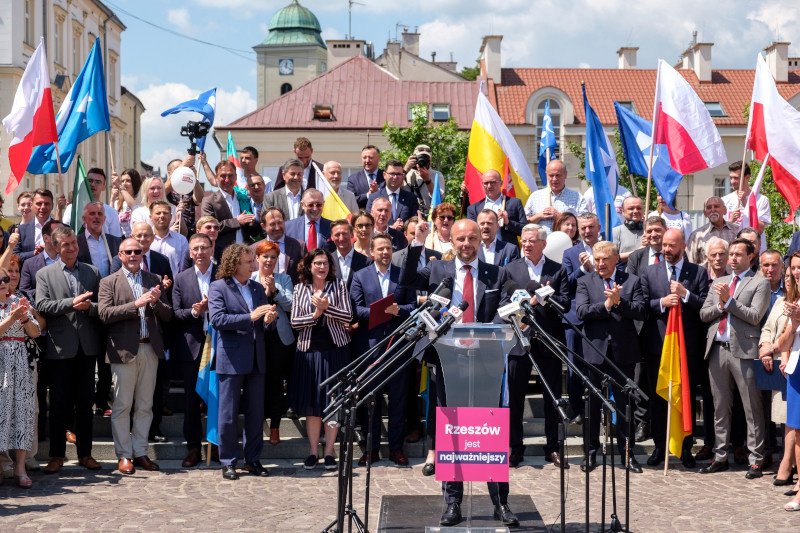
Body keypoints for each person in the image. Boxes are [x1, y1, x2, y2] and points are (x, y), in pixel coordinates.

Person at [399, 218, 516, 528]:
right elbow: (407, 280)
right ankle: (453, 502)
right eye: (460, 239)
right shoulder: (438, 270)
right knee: (453, 434)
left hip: (486, 364)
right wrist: (416, 244)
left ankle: (500, 502)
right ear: (451, 241)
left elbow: (504, 313)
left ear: (481, 240)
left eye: (472, 239)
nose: (466, 244)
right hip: (448, 363)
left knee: (489, 434)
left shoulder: (496, 273)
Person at [99, 238, 173, 475]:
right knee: (122, 406)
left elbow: (167, 315)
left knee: (145, 405)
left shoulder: (153, 280)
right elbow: (104, 313)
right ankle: (124, 455)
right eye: (128, 251)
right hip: (123, 350)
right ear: (120, 255)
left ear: (143, 254)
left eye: (137, 252)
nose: (133, 255)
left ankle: (140, 451)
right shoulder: (109, 282)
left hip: (149, 348)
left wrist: (154, 303)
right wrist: (136, 304)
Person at [499, 224, 570, 468]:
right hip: (519, 341)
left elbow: (565, 303)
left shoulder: (557, 270)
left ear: (543, 243)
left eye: (531, 241)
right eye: (524, 241)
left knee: (552, 398)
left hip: (548, 340)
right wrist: (517, 309)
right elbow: (503, 302)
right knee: (516, 397)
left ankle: (553, 448)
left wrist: (542, 297)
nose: (527, 245)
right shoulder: (510, 269)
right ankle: (515, 447)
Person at [35, 226, 103, 474]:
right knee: (60, 404)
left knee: (85, 404)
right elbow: (41, 304)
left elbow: (101, 306)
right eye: (66, 245)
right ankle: (56, 455)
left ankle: (86, 453)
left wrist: (89, 307)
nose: (72, 248)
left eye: (74, 243)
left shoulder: (92, 272)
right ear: (55, 247)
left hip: (87, 348)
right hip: (60, 348)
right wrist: (71, 303)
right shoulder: (45, 274)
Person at [699, 238, 770, 478]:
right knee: (720, 407)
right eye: (731, 254)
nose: (732, 259)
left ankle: (756, 459)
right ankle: (720, 456)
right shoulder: (720, 281)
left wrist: (728, 301)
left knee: (752, 407)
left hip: (744, 351)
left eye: (738, 254)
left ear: (751, 256)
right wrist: (721, 305)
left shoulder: (760, 283)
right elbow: (704, 313)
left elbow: (754, 316)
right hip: (717, 349)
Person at [639, 229, 709, 468]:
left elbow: (704, 308)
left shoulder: (698, 272)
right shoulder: (650, 272)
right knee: (659, 399)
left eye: (671, 246)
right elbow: (642, 305)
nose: (666, 250)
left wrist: (685, 294)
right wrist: (662, 302)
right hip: (659, 347)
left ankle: (685, 448)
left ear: (683, 246)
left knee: (685, 397)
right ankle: (660, 447)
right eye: (664, 245)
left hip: (686, 348)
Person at [575, 240, 646, 473]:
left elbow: (640, 310)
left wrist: (620, 303)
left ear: (617, 259)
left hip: (623, 353)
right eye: (596, 259)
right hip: (595, 353)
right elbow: (582, 312)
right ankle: (591, 453)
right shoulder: (585, 281)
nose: (600, 263)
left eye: (605, 259)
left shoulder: (632, 281)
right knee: (592, 406)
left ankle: (627, 455)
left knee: (625, 405)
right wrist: (606, 305)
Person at [350, 233, 416, 466]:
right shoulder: (360, 276)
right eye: (380, 249)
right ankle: (371, 448)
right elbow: (355, 309)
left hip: (398, 346)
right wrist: (380, 312)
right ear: (371, 252)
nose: (385, 253)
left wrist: (399, 310)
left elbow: (413, 305)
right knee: (370, 400)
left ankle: (396, 448)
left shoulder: (403, 275)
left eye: (388, 248)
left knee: (398, 400)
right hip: (370, 346)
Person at [208, 244, 273, 480]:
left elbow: (265, 324)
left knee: (256, 412)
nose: (253, 265)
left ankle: (253, 459)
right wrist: (251, 316)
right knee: (228, 413)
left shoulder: (257, 288)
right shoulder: (218, 287)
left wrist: (268, 319)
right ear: (235, 264)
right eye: (248, 262)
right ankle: (228, 461)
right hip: (232, 358)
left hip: (257, 356)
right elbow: (217, 319)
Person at [289, 249, 353, 471]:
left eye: (325, 263)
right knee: (313, 403)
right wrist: (315, 315)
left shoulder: (339, 286)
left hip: (336, 351)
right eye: (317, 263)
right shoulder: (299, 289)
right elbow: (295, 322)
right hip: (309, 353)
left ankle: (329, 452)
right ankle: (313, 451)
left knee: (333, 401)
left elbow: (348, 315)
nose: (322, 267)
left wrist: (328, 309)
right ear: (309, 266)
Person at [171, 233, 217, 467]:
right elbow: (175, 313)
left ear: (211, 249)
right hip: (192, 347)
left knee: (217, 398)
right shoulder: (181, 278)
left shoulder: (223, 275)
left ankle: (216, 446)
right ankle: (193, 448)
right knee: (192, 400)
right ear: (190, 253)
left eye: (204, 248)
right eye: (195, 249)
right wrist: (196, 312)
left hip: (220, 346)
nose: (200, 252)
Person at [0, 266, 42, 488]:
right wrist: (12, 318)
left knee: (23, 412)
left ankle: (20, 468)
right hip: (0, 363)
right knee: (1, 413)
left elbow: (36, 333)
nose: (3, 283)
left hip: (20, 362)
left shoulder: (19, 300)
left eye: (5, 279)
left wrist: (25, 318)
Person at [251, 240, 295, 446]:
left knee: (276, 382)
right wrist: (264, 293)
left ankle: (275, 427)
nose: (269, 260)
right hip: (255, 336)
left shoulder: (284, 278)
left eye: (273, 257)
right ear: (257, 258)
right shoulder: (249, 278)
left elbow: (290, 305)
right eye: (265, 256)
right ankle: (257, 424)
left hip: (279, 336)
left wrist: (274, 291)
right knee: (257, 382)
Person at [759, 252, 797, 489]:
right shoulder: (781, 303)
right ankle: (788, 460)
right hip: (782, 367)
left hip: (792, 362)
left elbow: (790, 335)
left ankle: (787, 462)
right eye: (789, 276)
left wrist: (778, 350)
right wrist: (765, 346)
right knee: (787, 420)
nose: (790, 281)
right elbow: (769, 329)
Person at [561, 212, 603, 421]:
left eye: (591, 227)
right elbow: (565, 284)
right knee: (574, 366)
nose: (587, 231)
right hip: (575, 318)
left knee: (599, 366)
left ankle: (601, 408)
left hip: (601, 315)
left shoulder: (608, 249)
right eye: (583, 227)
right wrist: (581, 269)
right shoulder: (570, 253)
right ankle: (576, 408)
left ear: (599, 227)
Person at [777, 289, 800, 511]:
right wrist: (793, 322)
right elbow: (783, 344)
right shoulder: (796, 304)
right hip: (797, 371)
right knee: (799, 431)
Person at [201, 161, 258, 250]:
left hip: (245, 252)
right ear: (216, 177)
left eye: (230, 175)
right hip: (221, 253)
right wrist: (236, 221)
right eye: (223, 176)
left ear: (235, 177)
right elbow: (208, 228)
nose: (227, 180)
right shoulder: (209, 201)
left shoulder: (244, 198)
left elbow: (252, 231)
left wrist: (252, 223)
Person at [467, 169, 527, 244]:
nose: (489, 186)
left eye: (493, 182)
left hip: (508, 251)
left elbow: (525, 230)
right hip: (482, 251)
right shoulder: (473, 208)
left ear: (501, 183)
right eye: (486, 183)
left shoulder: (514, 203)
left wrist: (508, 222)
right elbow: (470, 232)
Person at [723, 161, 770, 251]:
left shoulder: (762, 200)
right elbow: (722, 229)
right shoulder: (725, 200)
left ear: (747, 177)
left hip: (755, 252)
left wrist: (746, 205)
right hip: (734, 253)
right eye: (731, 178)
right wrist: (731, 221)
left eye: (736, 178)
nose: (732, 181)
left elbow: (759, 229)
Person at [61, 168, 122, 237]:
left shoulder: (111, 212)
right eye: (90, 181)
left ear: (104, 187)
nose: (93, 184)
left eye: (98, 182)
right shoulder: (72, 209)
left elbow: (115, 240)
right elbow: (65, 233)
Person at [524, 160, 583, 231]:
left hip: (565, 241)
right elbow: (524, 223)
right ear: (546, 175)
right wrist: (539, 216)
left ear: (565, 175)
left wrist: (560, 217)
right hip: (541, 241)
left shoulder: (577, 197)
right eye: (551, 175)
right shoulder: (535, 196)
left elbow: (583, 224)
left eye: (558, 175)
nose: (554, 179)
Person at [687, 197, 739, 269]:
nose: (713, 210)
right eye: (709, 208)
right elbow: (691, 264)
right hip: (706, 279)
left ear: (725, 210)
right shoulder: (697, 236)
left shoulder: (737, 231)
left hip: (732, 278)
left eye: (716, 206)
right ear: (705, 213)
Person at [366, 160, 419, 228]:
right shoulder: (373, 197)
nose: (395, 177)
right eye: (392, 173)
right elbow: (369, 222)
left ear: (403, 176)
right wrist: (391, 228)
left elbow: (414, 222)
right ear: (384, 175)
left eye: (398, 174)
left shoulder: (411, 198)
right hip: (380, 237)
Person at [20, 219, 63, 300]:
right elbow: (24, 292)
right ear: (46, 238)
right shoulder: (29, 264)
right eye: (59, 234)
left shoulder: (72, 260)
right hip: (41, 310)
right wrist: (48, 291)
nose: (63, 237)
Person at [77, 201, 122, 278]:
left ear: (104, 219)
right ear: (84, 219)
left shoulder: (114, 241)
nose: (96, 217)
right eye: (92, 213)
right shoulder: (76, 242)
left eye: (100, 214)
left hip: (110, 287)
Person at [259, 207, 303, 281]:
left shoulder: (299, 245)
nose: (277, 227)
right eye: (272, 224)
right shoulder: (254, 249)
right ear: (263, 226)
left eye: (280, 222)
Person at [167, 155, 206, 238]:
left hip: (189, 234)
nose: (181, 170)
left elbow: (199, 199)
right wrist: (182, 167)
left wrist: (193, 177)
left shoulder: (188, 188)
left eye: (184, 168)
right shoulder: (166, 189)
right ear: (169, 173)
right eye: (177, 168)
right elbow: (163, 190)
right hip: (171, 233)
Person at [403, 144, 445, 219]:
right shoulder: (406, 174)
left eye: (426, 158)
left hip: (430, 215)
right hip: (410, 216)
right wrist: (405, 169)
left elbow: (439, 198)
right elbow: (395, 187)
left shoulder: (437, 175)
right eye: (420, 157)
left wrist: (428, 180)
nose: (422, 160)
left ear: (430, 159)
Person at [149, 200, 189, 276]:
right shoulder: (143, 239)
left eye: (165, 213)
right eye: (158, 213)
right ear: (150, 217)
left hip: (174, 285)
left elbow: (184, 269)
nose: (162, 216)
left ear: (171, 217)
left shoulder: (181, 240)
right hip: (149, 285)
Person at [14, 188, 54, 262]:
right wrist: (34, 253)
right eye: (39, 203)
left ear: (52, 206)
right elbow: (15, 256)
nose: (43, 207)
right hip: (30, 273)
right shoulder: (21, 230)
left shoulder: (62, 228)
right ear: (32, 205)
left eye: (46, 204)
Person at [329, 219, 369, 288]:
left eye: (344, 234)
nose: (341, 238)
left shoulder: (366, 262)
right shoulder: (327, 261)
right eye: (337, 235)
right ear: (332, 237)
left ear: (352, 234)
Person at [612, 196, 645, 263]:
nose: (635, 211)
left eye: (639, 208)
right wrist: (639, 251)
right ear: (623, 211)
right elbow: (613, 258)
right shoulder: (615, 232)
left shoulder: (650, 231)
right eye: (631, 208)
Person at [110, 168, 143, 237]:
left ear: (135, 183)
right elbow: (110, 219)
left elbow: (134, 207)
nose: (124, 184)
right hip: (120, 241)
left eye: (128, 181)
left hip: (135, 240)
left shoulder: (140, 200)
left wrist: (119, 186)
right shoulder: (117, 202)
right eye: (122, 181)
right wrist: (112, 199)